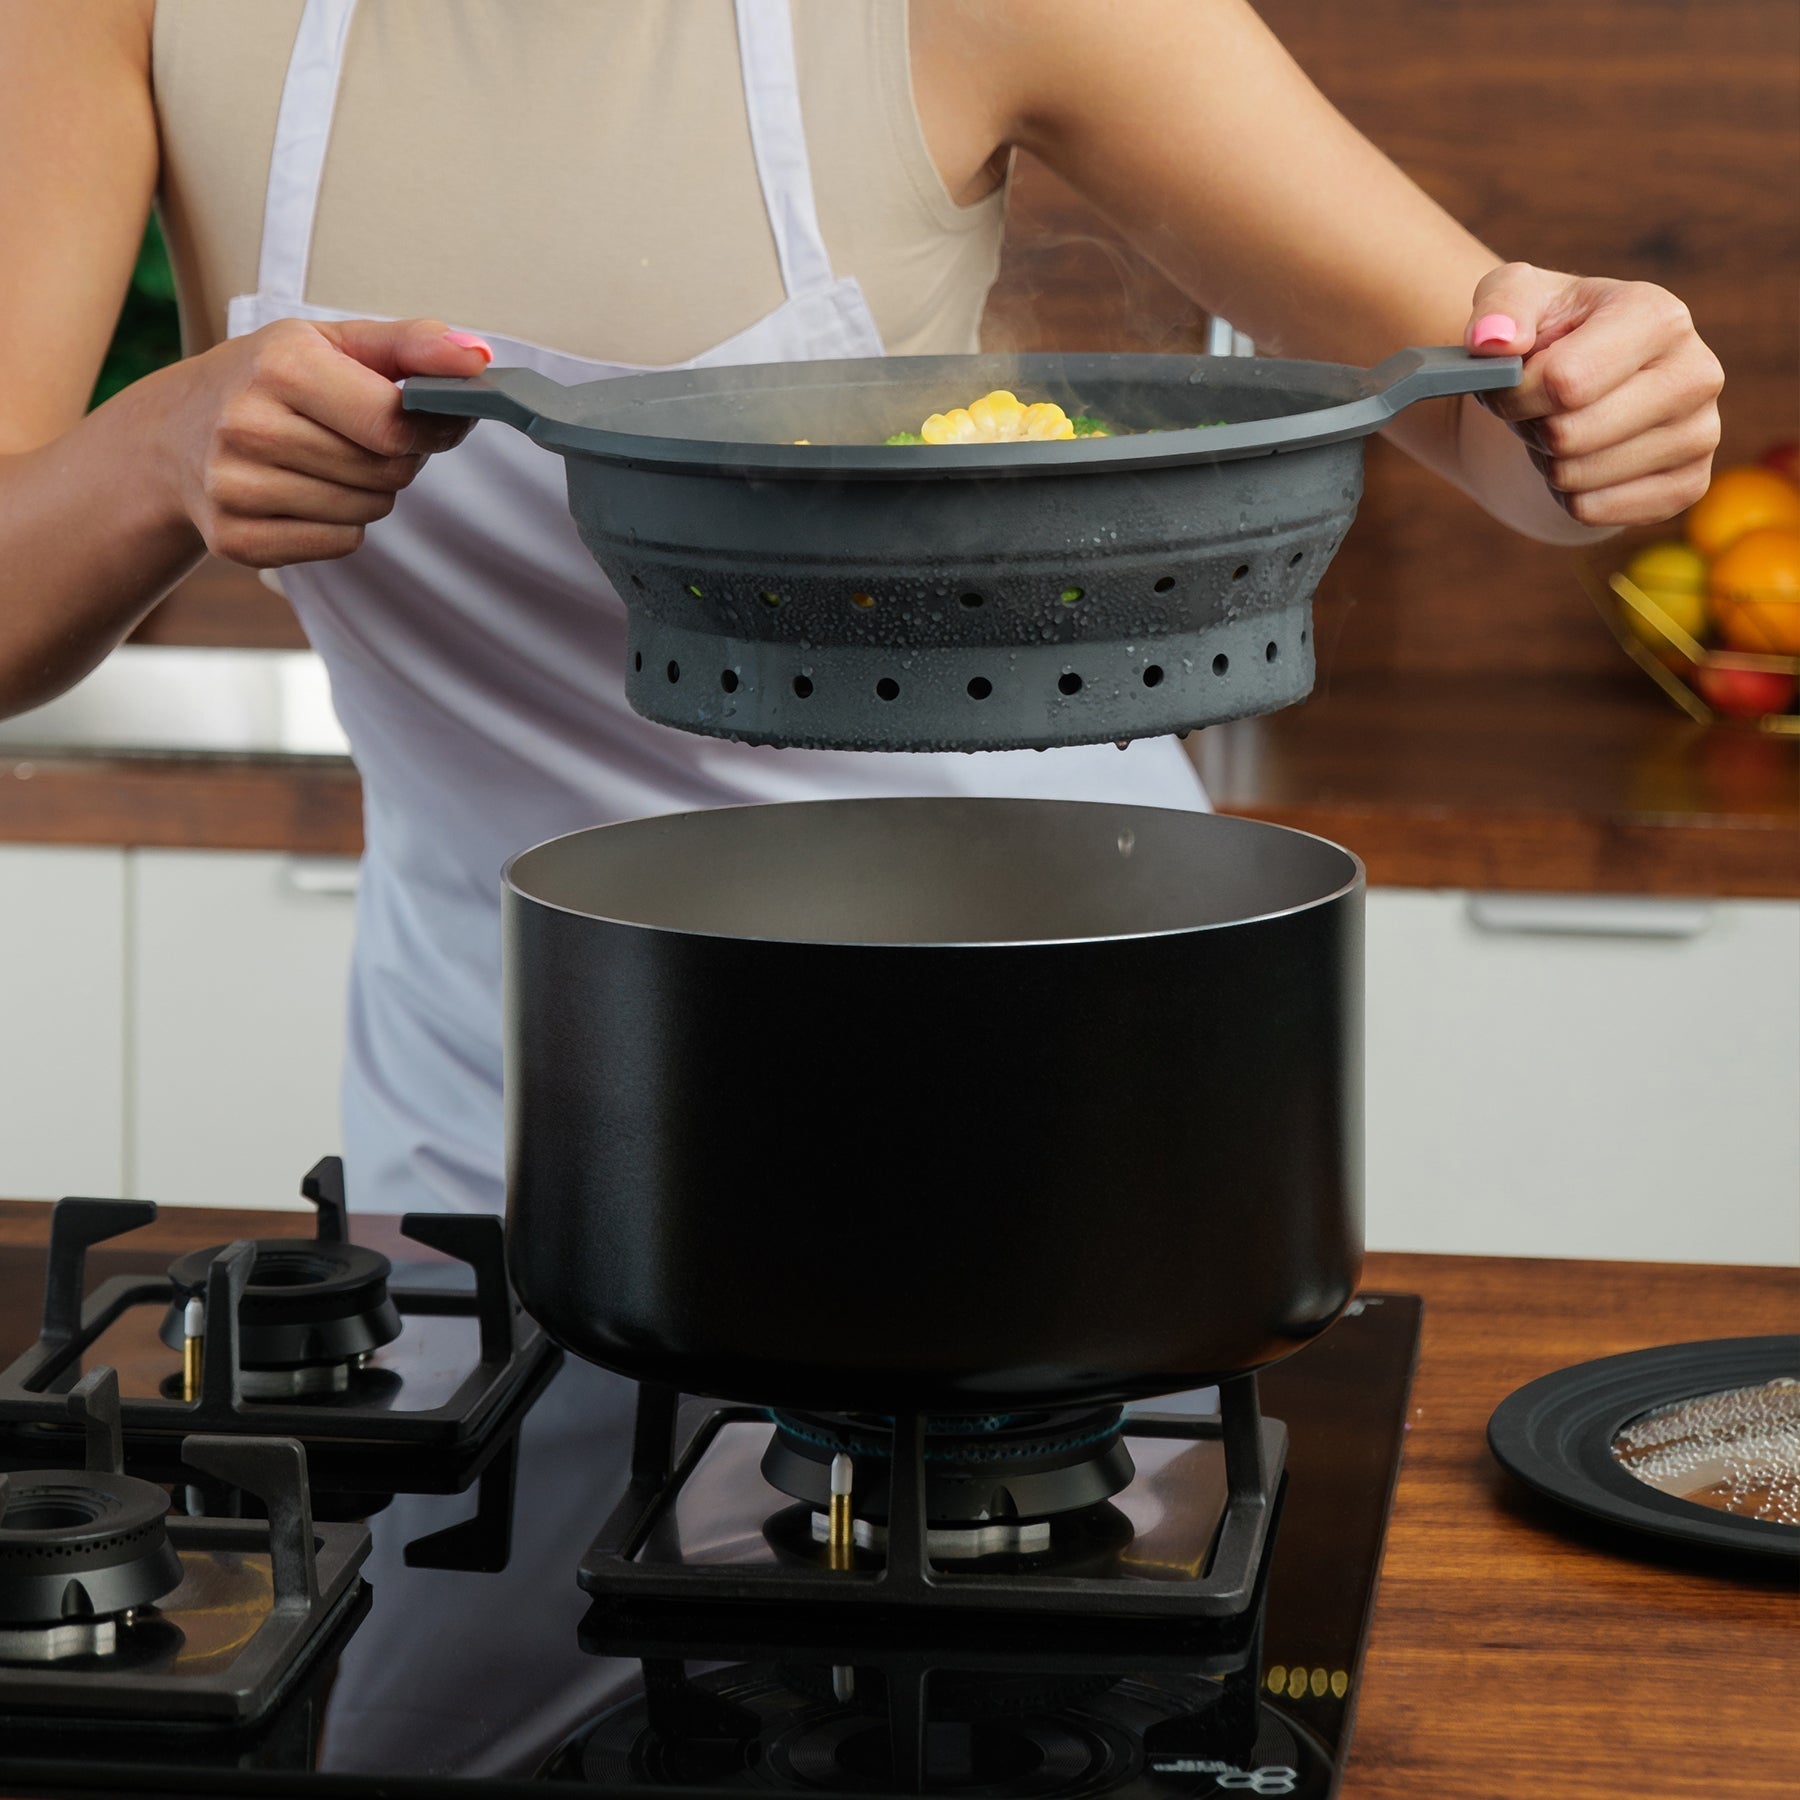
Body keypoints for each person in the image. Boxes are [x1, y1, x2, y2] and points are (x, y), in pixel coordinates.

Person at [0, 1, 1722, 1218]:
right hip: (517, 1122)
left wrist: (1603, 397)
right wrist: (156, 449)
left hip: (1042, 1080)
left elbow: (1489, 418)